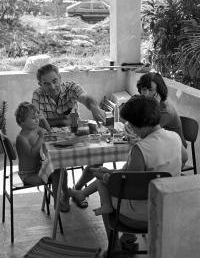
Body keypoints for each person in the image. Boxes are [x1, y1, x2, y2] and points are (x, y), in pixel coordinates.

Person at [69, 96, 188, 254]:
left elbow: (130, 185)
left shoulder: (141, 148)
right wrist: (112, 172)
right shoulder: (175, 138)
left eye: (132, 125)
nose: (131, 128)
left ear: (142, 124)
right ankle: (127, 240)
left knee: (104, 188)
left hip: (138, 216)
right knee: (108, 179)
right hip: (167, 209)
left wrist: (105, 177)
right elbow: (184, 158)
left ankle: (115, 248)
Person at [32, 64, 106, 210]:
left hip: (76, 135)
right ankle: (64, 194)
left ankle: (77, 190)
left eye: (54, 81)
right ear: (40, 84)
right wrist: (64, 121)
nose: (52, 86)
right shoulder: (37, 94)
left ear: (60, 78)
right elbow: (38, 120)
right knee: (58, 162)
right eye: (46, 83)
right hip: (51, 139)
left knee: (99, 158)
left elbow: (85, 97)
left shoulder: (72, 87)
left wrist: (94, 107)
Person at [15, 102, 70, 212]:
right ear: (22, 122)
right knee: (57, 174)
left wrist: (43, 119)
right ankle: (57, 203)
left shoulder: (35, 129)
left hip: (39, 168)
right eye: (33, 118)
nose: (36, 120)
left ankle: (66, 195)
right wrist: (41, 137)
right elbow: (32, 153)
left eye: (37, 117)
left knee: (62, 169)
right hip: (28, 175)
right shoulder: (21, 138)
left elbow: (49, 132)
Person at [124, 72, 187, 148]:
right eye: (143, 89)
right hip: (159, 144)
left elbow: (145, 131)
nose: (146, 94)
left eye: (151, 90)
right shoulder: (147, 104)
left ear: (159, 92)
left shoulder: (166, 112)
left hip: (175, 150)